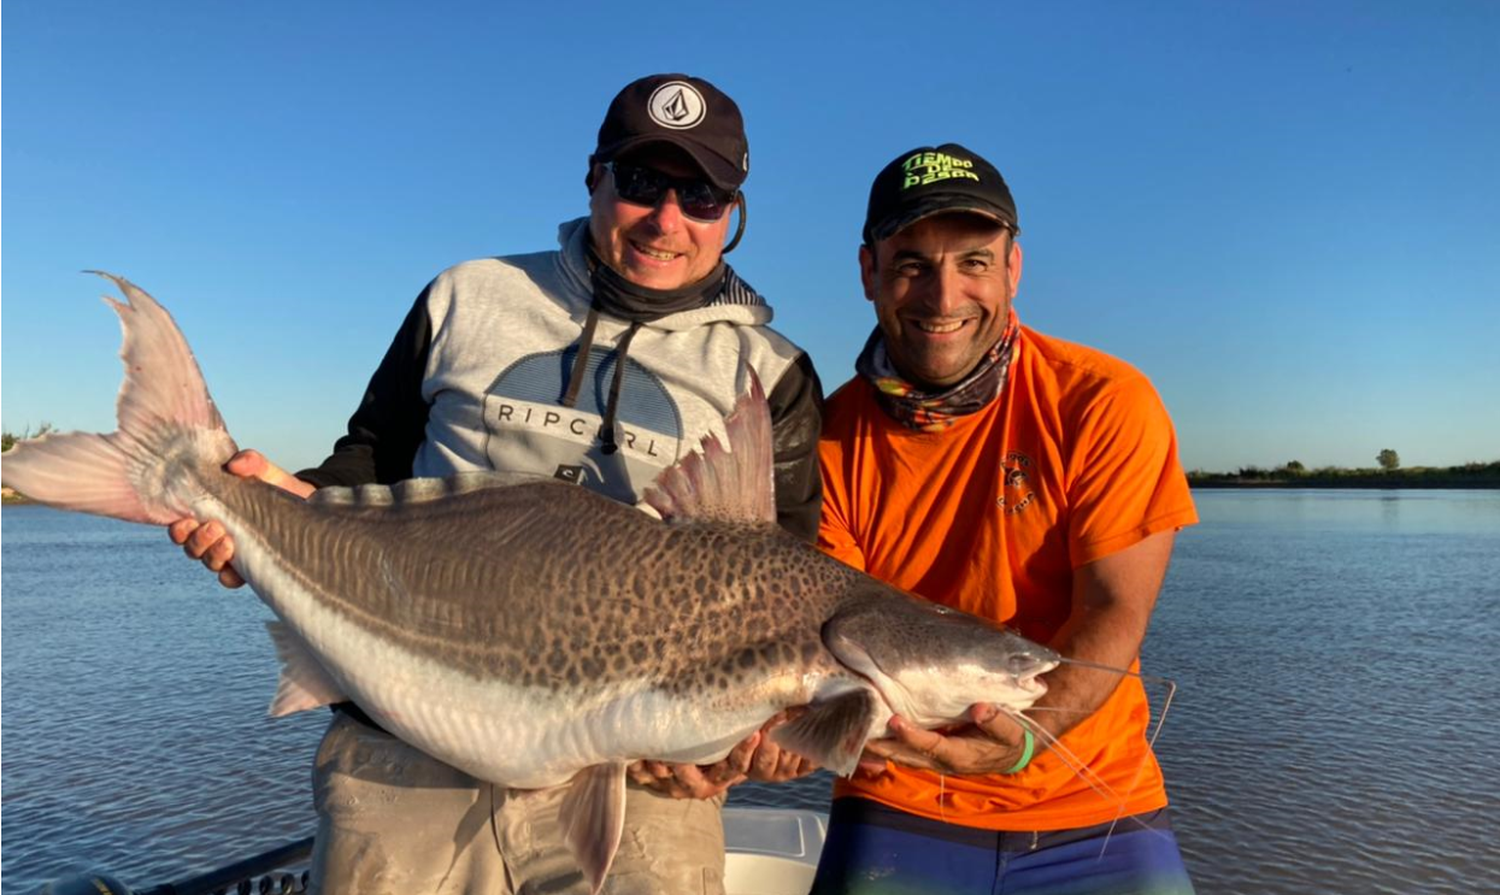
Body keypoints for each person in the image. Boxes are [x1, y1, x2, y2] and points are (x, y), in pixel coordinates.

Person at [169, 73, 823, 895]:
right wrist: (271, 507)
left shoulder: (772, 372)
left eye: (701, 194)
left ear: (733, 215)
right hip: (404, 737)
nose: (666, 218)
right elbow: (370, 457)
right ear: (594, 178)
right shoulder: (468, 296)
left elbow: (784, 576)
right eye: (640, 182)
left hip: (634, 775)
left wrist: (739, 739)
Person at [810, 143, 1200, 893]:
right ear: (869, 272)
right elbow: (833, 637)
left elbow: (1115, 609)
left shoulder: (1103, 400)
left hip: (1095, 798)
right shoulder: (827, 439)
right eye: (913, 262)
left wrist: (1026, 738)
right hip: (899, 793)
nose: (944, 294)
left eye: (974, 263)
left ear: (1013, 269)